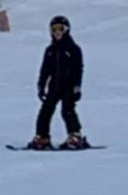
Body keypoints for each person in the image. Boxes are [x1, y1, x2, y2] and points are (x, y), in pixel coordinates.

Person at [29, 16, 87, 149]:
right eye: (54, 29)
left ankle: (75, 135)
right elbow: (45, 71)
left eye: (61, 29)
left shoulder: (73, 49)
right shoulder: (50, 50)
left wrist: (77, 87)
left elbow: (78, 69)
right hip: (54, 86)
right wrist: (41, 86)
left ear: (66, 30)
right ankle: (42, 137)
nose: (57, 32)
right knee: (45, 111)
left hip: (69, 87)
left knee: (67, 110)